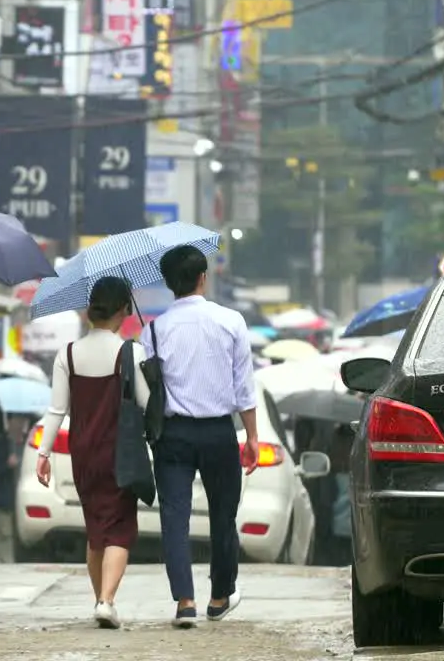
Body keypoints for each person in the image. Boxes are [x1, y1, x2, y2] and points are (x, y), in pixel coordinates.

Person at [140, 246, 259, 628]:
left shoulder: (152, 330)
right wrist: (253, 436)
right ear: (202, 278)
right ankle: (220, 595)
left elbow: (148, 390)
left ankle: (185, 603)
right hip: (218, 432)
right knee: (223, 516)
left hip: (171, 435)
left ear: (169, 283)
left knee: (175, 519)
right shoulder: (231, 321)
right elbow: (244, 387)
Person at [34, 277, 150, 629]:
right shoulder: (130, 352)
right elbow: (146, 403)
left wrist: (43, 453)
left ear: (89, 311)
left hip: (81, 452)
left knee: (96, 528)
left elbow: (57, 410)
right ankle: (106, 600)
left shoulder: (67, 354)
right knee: (119, 527)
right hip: (120, 452)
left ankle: (101, 600)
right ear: (124, 311)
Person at [0, 415, 32, 564]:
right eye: (17, 421)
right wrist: (7, 465)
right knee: (5, 535)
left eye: (23, 421)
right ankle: (6, 565)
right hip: (2, 498)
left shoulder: (29, 443)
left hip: (23, 498)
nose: (20, 425)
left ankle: (19, 564)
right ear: (9, 422)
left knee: (21, 537)